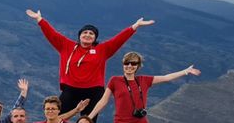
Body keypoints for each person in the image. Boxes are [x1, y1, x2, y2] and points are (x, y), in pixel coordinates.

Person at [26, 9, 155, 110]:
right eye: (85, 33)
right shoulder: (66, 46)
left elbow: (118, 39)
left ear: (95, 38)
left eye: (91, 33)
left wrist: (135, 26)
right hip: (70, 90)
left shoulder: (103, 49)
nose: (87, 35)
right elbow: (52, 34)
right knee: (59, 117)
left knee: (89, 121)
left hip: (93, 91)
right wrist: (39, 19)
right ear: (79, 36)